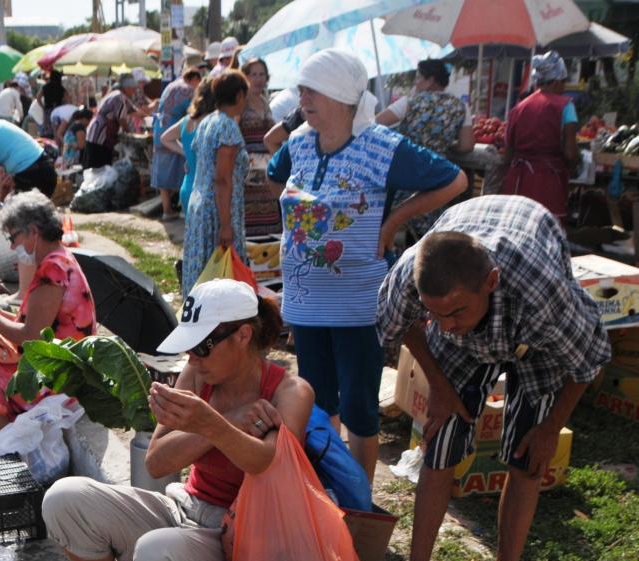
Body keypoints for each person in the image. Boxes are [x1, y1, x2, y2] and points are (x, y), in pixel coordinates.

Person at [42, 278, 314, 561]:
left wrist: (211, 425)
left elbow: (269, 466)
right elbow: (157, 461)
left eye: (202, 348)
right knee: (63, 499)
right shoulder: (196, 375)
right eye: (190, 348)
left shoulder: (290, 392)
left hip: (242, 543)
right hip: (185, 510)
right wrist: (223, 421)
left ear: (243, 335)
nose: (192, 360)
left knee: (156, 551)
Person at [377, 196, 610, 561]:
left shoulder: (541, 294)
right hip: (475, 305)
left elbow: (590, 358)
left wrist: (551, 427)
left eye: (456, 313)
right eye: (434, 314)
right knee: (440, 441)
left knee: (528, 458)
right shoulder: (408, 277)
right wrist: (438, 383)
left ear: (491, 282)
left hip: (534, 337)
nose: (446, 326)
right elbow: (396, 327)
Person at [266, 49, 467, 483]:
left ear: (341, 94)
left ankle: (359, 499)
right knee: (317, 400)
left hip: (359, 299)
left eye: (311, 89)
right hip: (305, 299)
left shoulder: (381, 146)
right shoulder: (299, 141)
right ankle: (323, 487)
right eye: (301, 89)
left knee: (358, 403)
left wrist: (394, 220)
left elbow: (455, 179)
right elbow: (275, 173)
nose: (302, 97)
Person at [0, 191, 96, 433]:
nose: (11, 246)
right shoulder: (59, 258)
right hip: (62, 363)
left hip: (59, 379)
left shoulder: (53, 269)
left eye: (13, 238)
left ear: (33, 231)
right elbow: (37, 324)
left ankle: (4, 430)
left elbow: (32, 336)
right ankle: (4, 427)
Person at [181, 71, 250, 295]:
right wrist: (226, 224)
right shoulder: (228, 127)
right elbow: (222, 178)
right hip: (217, 211)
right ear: (239, 96)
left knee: (203, 273)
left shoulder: (207, 122)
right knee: (221, 280)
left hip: (200, 205)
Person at [501, 51, 579, 223]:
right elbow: (570, 153)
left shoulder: (518, 107)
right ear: (558, 80)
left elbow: (507, 152)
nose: (564, 87)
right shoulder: (565, 106)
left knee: (517, 226)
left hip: (517, 180)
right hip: (548, 180)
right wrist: (574, 168)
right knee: (547, 231)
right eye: (564, 82)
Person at [376, 59, 475, 156]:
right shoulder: (461, 106)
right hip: (438, 168)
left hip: (406, 164)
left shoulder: (410, 102)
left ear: (430, 81)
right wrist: (447, 147)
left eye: (418, 77)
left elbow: (373, 124)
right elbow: (467, 146)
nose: (416, 82)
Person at [160, 78, 216, 228]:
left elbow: (165, 138)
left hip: (187, 188)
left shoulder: (187, 120)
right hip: (207, 192)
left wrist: (186, 152)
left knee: (193, 242)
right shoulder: (213, 122)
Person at [151, 67, 202, 220]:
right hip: (174, 127)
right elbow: (194, 111)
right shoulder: (187, 89)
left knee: (162, 171)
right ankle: (181, 208)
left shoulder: (171, 85)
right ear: (193, 79)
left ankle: (167, 210)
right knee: (183, 169)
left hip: (160, 127)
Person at [239, 58, 281, 236]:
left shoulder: (265, 102)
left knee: (270, 221)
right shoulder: (240, 103)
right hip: (246, 174)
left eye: (262, 74)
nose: (258, 79)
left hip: (266, 175)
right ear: (245, 77)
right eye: (253, 74)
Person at [82, 75, 149, 169]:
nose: (134, 92)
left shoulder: (120, 96)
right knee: (98, 168)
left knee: (97, 167)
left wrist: (150, 117)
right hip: (100, 135)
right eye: (133, 89)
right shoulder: (119, 97)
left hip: (96, 134)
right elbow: (121, 119)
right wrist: (130, 133)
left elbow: (135, 112)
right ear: (127, 88)